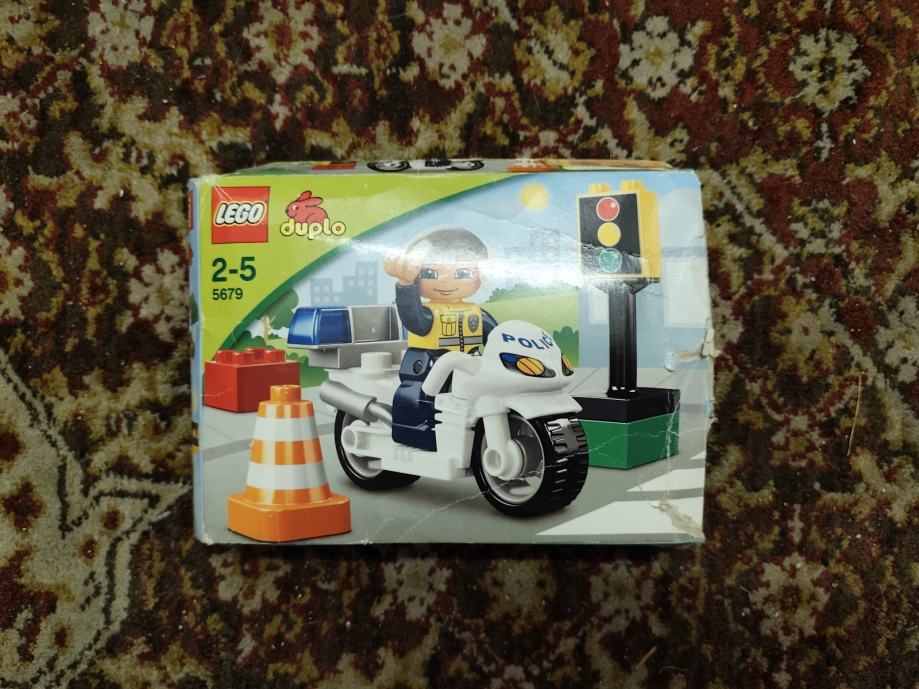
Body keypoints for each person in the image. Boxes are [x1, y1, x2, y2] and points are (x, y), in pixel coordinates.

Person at [383, 227, 497, 450]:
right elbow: (412, 318)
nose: (446, 283)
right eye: (430, 273)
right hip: (429, 364)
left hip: (471, 364)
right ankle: (420, 432)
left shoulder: (476, 313)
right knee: (420, 396)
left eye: (462, 273)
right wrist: (405, 285)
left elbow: (496, 337)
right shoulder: (428, 313)